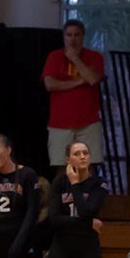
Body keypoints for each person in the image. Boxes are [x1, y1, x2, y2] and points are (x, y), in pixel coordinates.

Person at [41, 19, 105, 174]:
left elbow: (92, 79)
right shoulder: (54, 57)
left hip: (89, 122)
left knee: (89, 166)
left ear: (83, 36)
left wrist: (75, 59)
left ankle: (88, 191)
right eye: (69, 35)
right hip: (60, 123)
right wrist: (79, 81)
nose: (72, 39)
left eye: (77, 35)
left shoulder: (94, 56)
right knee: (62, 167)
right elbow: (50, 85)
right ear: (64, 37)